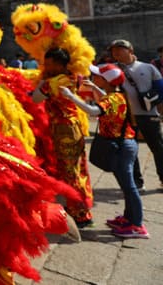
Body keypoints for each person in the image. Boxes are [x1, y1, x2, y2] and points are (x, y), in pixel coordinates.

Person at [61, 64, 149, 238]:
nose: (94, 77)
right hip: (124, 144)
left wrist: (71, 97)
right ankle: (129, 218)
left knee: (129, 187)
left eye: (98, 76)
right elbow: (106, 100)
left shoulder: (112, 99)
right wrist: (94, 88)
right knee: (126, 185)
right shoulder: (116, 95)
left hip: (121, 146)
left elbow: (94, 110)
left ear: (106, 80)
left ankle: (137, 226)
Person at [32, 47, 94, 227]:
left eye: (50, 63)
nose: (47, 67)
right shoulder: (75, 76)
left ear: (60, 64)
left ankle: (80, 214)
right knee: (78, 169)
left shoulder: (52, 83)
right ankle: (80, 207)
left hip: (63, 130)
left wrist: (42, 80)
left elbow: (36, 98)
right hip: (74, 127)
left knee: (70, 172)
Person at [109, 39, 163, 189]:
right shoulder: (112, 71)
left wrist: (156, 106)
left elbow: (160, 89)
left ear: (130, 50)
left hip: (148, 114)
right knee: (130, 150)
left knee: (158, 147)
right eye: (113, 50)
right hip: (126, 116)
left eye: (120, 49)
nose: (116, 52)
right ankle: (137, 182)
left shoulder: (148, 67)